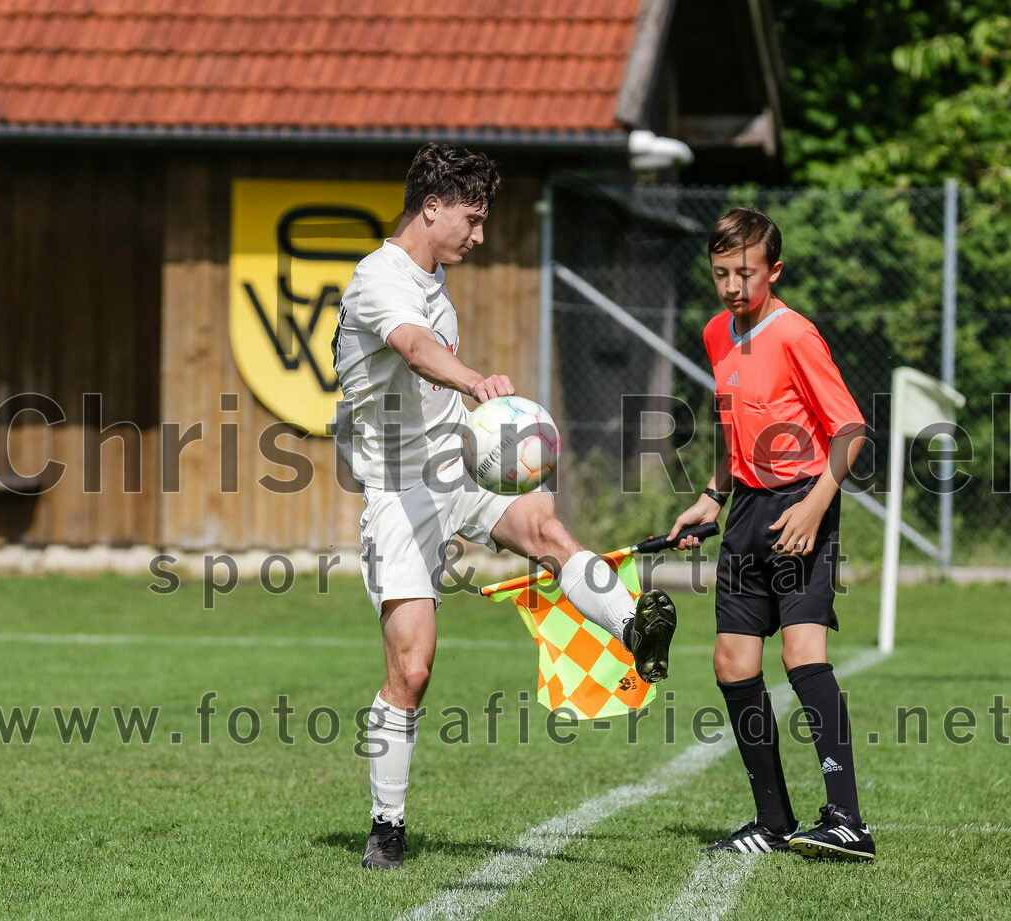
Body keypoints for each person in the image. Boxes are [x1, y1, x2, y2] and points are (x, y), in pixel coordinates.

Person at [331, 142, 675, 870]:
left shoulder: (434, 273)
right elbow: (416, 349)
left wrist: (481, 415)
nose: (480, 235)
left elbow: (427, 362)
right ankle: (387, 826)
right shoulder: (378, 278)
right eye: (473, 218)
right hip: (400, 489)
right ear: (432, 207)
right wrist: (476, 381)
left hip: (456, 462)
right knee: (414, 668)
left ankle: (634, 627)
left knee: (545, 525)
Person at [667, 208, 874, 862]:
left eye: (745, 273)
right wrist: (712, 496)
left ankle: (847, 820)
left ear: (773, 270)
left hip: (802, 502)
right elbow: (734, 428)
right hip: (746, 509)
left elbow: (851, 430)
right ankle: (772, 819)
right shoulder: (716, 332)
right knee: (733, 662)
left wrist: (815, 507)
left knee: (802, 655)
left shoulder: (795, 335)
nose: (732, 285)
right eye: (721, 272)